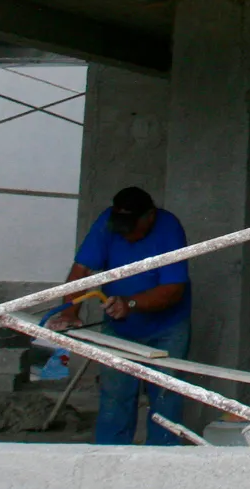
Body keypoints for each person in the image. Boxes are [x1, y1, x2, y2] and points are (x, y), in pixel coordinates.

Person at [47, 186, 191, 444]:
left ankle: (164, 464)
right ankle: (110, 460)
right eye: (122, 230)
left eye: (133, 230)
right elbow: (82, 270)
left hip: (166, 330)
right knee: (115, 401)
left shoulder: (169, 229)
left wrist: (131, 303)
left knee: (165, 401)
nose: (128, 236)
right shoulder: (108, 222)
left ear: (149, 217)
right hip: (120, 329)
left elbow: (173, 290)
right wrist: (70, 312)